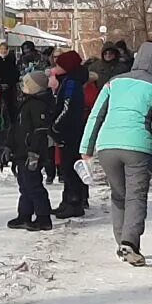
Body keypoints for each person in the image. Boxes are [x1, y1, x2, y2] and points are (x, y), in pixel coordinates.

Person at [80, 42, 152, 266]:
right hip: (137, 148)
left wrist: (86, 148)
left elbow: (96, 115)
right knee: (135, 196)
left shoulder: (114, 82)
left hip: (107, 146)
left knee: (118, 195)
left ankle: (121, 240)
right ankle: (129, 244)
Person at [7, 69, 57, 231]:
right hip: (21, 152)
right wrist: (9, 146)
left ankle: (43, 217)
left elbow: (40, 131)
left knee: (34, 185)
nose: (23, 86)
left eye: (27, 83)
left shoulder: (38, 104)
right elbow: (16, 128)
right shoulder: (26, 102)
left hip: (32, 153)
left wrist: (34, 152)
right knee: (24, 185)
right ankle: (24, 214)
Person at [52, 51, 91, 217]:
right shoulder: (69, 81)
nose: (55, 68)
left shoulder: (71, 83)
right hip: (72, 129)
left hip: (70, 130)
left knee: (69, 166)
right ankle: (68, 199)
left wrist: (55, 126)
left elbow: (67, 108)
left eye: (59, 65)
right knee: (68, 165)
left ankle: (74, 202)